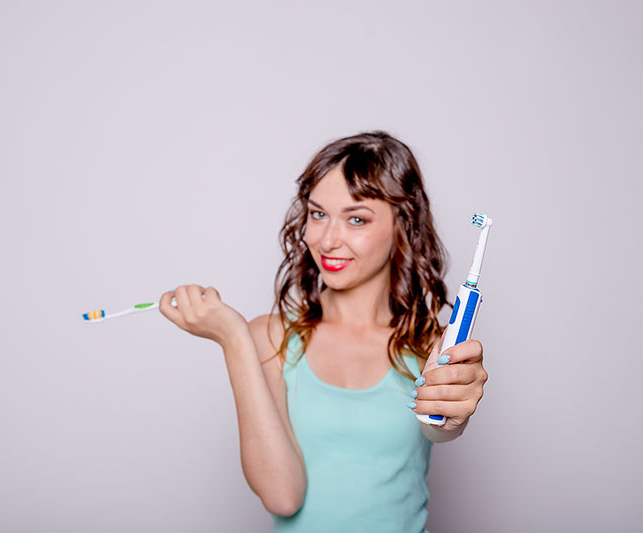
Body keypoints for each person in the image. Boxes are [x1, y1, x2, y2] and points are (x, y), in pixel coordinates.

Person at [159, 131, 488, 532]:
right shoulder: (270, 337)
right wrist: (233, 338)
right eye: (318, 214)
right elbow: (283, 495)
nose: (327, 240)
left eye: (356, 219)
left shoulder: (425, 345)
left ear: (403, 225)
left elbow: (439, 426)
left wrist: (451, 413)